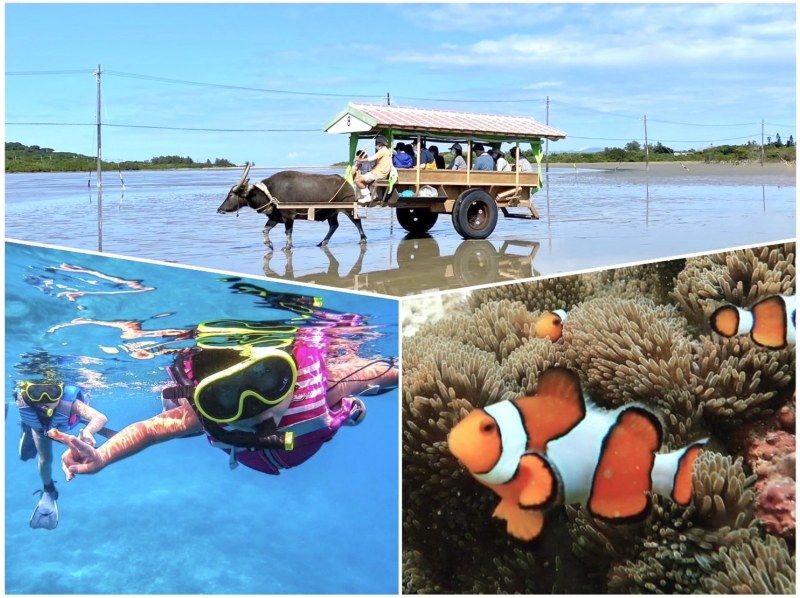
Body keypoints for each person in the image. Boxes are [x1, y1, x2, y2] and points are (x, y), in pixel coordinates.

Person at [52, 327, 399, 480]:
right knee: (173, 420)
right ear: (206, 402)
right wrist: (103, 456)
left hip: (312, 430)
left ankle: (350, 411)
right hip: (250, 448)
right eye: (225, 397)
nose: (255, 406)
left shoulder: (323, 386)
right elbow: (146, 430)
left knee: (349, 396)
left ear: (289, 371)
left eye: (266, 379)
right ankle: (348, 411)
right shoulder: (201, 416)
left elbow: (394, 372)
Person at [15, 381, 108, 529]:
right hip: (39, 430)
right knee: (45, 460)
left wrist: (88, 431)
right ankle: (48, 490)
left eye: (51, 392)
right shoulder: (22, 400)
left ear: (61, 391)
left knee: (42, 457)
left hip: (55, 426)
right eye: (36, 392)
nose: (43, 400)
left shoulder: (71, 403)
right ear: (27, 392)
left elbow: (100, 417)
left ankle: (27, 426)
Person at [354, 135, 392, 203]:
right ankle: (369, 196)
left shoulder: (383, 150)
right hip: (379, 173)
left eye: (377, 143)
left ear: (380, 143)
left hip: (378, 174)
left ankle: (367, 197)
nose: (376, 145)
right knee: (363, 179)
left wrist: (360, 159)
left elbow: (371, 158)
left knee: (357, 180)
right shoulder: (387, 151)